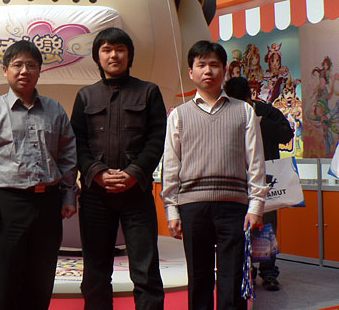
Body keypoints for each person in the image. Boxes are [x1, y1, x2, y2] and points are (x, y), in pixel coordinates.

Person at [0, 40, 78, 310]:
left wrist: (68, 195)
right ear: (5, 70)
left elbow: (67, 156)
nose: (24, 71)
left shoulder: (55, 110)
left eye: (31, 65)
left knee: (41, 284)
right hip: (6, 206)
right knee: (6, 286)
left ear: (40, 71)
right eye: (17, 65)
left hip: (48, 204)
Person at [161, 40, 268, 310]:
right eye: (201, 65)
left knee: (233, 279)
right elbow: (171, 166)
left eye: (214, 65)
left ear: (224, 70)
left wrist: (256, 205)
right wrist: (172, 210)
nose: (208, 70)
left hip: (234, 208)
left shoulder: (243, 111)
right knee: (199, 279)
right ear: (191, 72)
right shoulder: (178, 115)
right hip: (192, 207)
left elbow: (255, 162)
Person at [70, 27, 166, 310]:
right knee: (95, 274)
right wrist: (97, 173)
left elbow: (156, 140)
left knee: (146, 271)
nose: (114, 55)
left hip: (137, 195)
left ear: (129, 55)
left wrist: (134, 174)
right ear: (97, 56)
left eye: (120, 49)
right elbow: (77, 142)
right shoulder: (85, 96)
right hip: (95, 196)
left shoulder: (149, 92)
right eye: (107, 50)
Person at [224, 76, 293, 292]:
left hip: (266, 180)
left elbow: (287, 134)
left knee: (267, 228)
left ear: (249, 98)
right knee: (239, 228)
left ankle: (269, 273)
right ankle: (248, 272)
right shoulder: (226, 113)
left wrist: (260, 122)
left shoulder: (267, 112)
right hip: (236, 181)